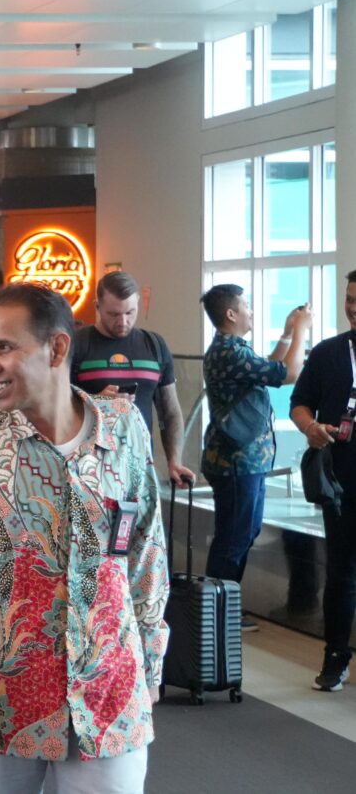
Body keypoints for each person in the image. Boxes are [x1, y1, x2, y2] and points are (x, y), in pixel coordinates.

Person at [0, 283, 169, 794]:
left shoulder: (123, 427)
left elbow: (144, 550)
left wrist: (152, 657)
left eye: (4, 347)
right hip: (0, 696)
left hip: (109, 691)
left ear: (57, 348)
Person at [199, 284, 309, 621]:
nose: (250, 310)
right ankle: (218, 613)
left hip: (244, 462)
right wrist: (303, 330)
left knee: (241, 532)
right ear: (230, 314)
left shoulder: (231, 350)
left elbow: (268, 369)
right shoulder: (230, 352)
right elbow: (289, 373)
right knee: (234, 538)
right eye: (245, 305)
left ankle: (222, 607)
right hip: (237, 463)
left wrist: (289, 332)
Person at [292, 270, 356, 691]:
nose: (352, 308)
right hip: (341, 482)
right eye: (349, 299)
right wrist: (311, 427)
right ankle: (335, 655)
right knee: (342, 571)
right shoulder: (330, 353)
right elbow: (300, 403)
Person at [70, 271, 194, 487]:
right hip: (86, 470)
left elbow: (170, 410)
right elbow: (53, 411)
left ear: (138, 302)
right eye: (113, 314)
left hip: (139, 466)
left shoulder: (155, 345)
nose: (123, 321)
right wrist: (94, 401)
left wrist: (175, 461)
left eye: (130, 312)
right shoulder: (76, 345)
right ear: (96, 306)